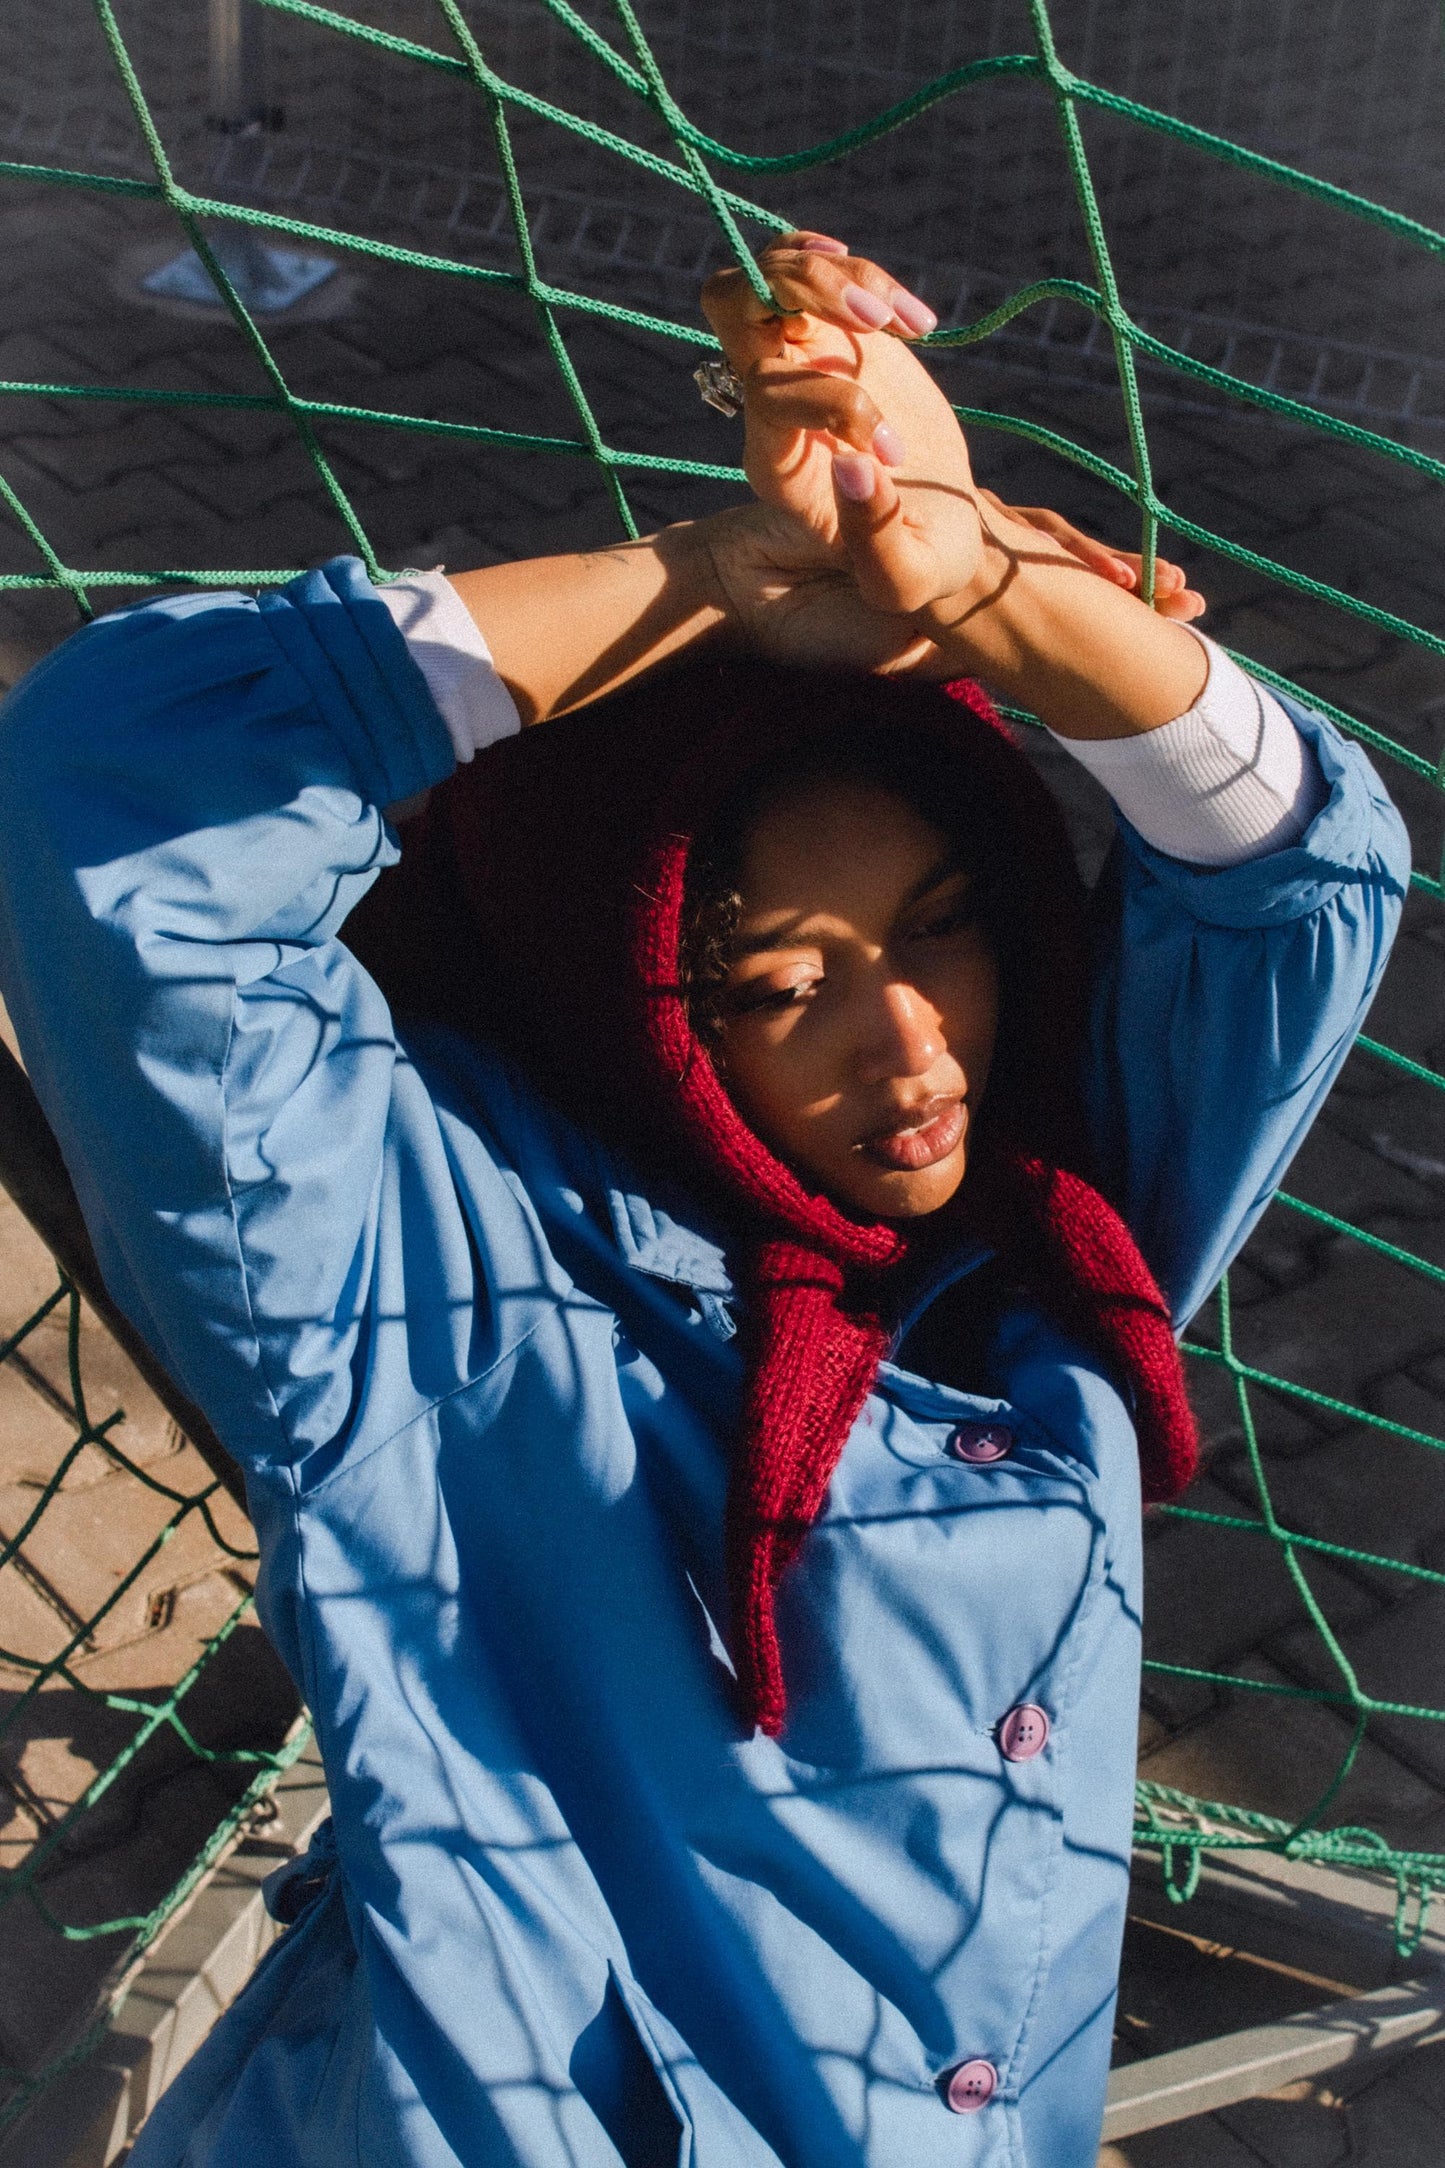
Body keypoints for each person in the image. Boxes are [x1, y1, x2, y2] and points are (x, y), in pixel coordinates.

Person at [0, 234, 1408, 2168]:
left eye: (940, 930)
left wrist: (973, 575)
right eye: (778, 989)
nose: (911, 1048)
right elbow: (114, 784)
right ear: (626, 996)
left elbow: (1297, 878)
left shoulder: (1055, 1230)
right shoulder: (438, 1290)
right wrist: (716, 581)